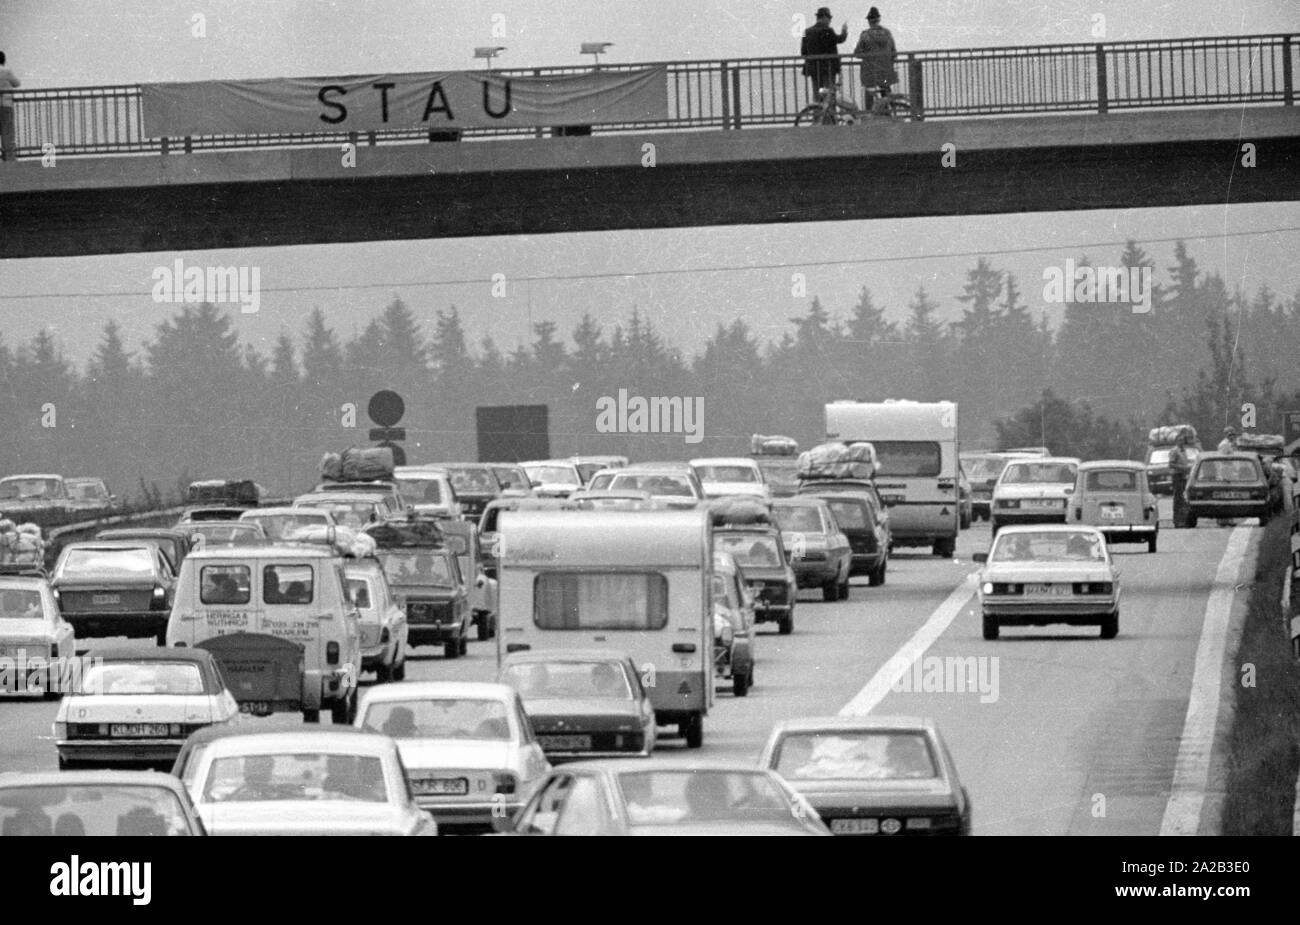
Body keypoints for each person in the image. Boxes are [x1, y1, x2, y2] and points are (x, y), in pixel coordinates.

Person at [801, 7, 849, 98]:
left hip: (814, 69)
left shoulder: (806, 32)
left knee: (817, 93)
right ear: (824, 17)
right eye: (829, 18)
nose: (830, 21)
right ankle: (830, 111)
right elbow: (839, 39)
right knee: (829, 95)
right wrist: (844, 31)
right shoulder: (828, 31)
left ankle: (817, 110)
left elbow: (803, 52)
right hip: (828, 68)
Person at [854, 7, 898, 106]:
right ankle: (889, 113)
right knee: (886, 92)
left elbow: (857, 53)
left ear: (869, 21)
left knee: (870, 92)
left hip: (871, 71)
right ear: (879, 19)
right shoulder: (887, 33)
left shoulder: (865, 35)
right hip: (886, 71)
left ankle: (870, 114)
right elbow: (894, 53)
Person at [1168, 433, 1192, 528]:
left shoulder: (1184, 451)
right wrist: (1182, 468)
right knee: (1178, 499)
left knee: (1184, 499)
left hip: (1184, 476)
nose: (1181, 442)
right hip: (1177, 476)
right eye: (1179, 440)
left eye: (1182, 440)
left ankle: (1183, 520)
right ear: (1176, 441)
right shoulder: (1174, 451)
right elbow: (1171, 464)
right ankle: (1177, 521)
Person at [0, 52, 19, 162]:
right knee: (7, 131)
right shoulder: (6, 71)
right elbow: (17, 83)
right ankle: (9, 158)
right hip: (6, 104)